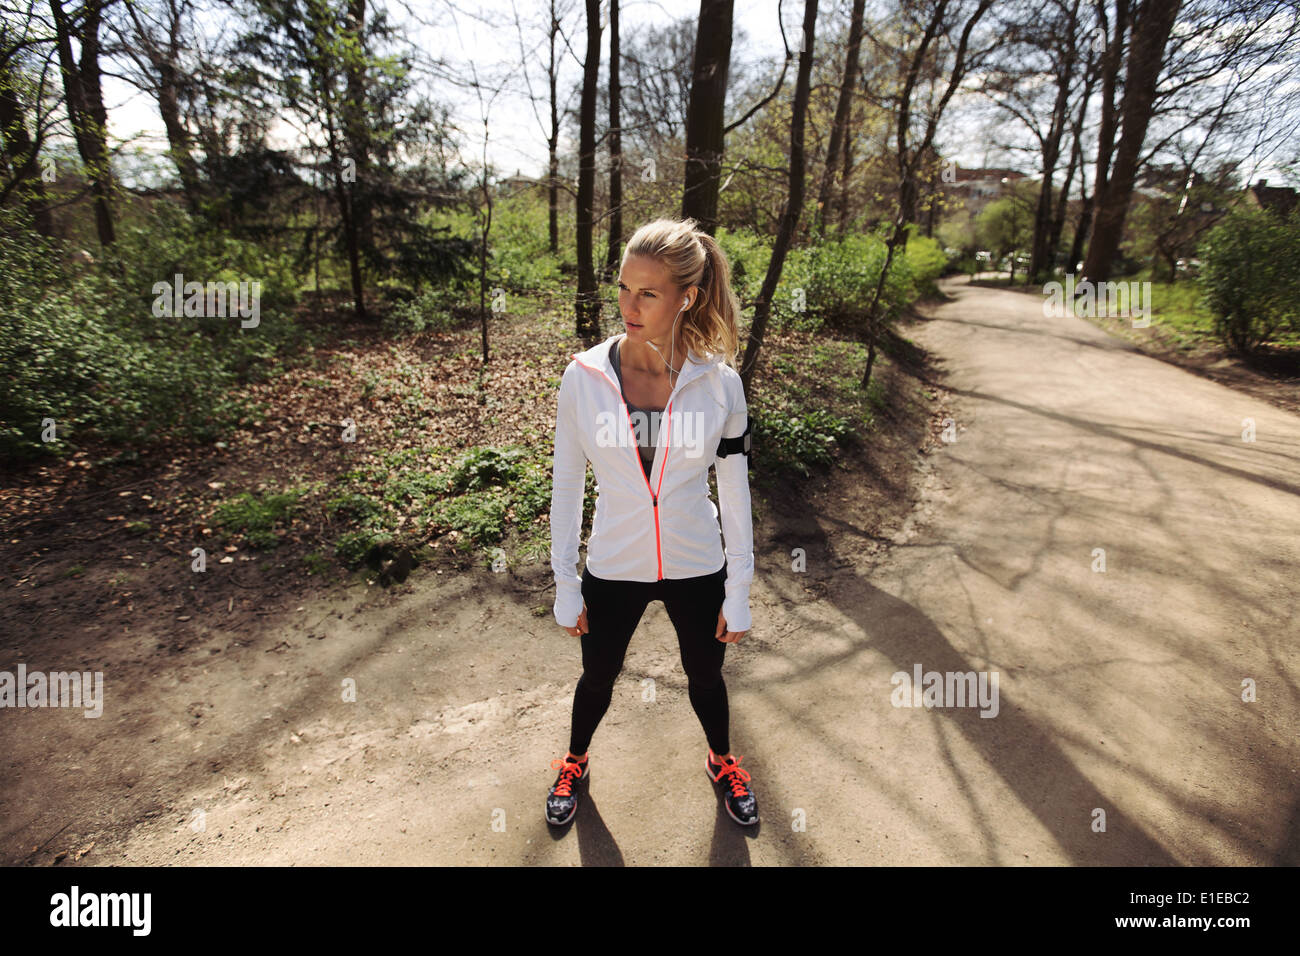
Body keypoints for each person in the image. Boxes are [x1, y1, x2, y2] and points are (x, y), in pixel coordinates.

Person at [546, 217, 758, 828]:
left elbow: (735, 488)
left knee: (706, 676)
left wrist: (739, 588)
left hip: (697, 560)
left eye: (648, 293)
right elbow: (566, 483)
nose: (628, 306)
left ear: (686, 297)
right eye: (623, 288)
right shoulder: (583, 378)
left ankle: (722, 760)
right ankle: (574, 761)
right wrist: (564, 580)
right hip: (615, 562)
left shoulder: (721, 386)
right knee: (598, 676)